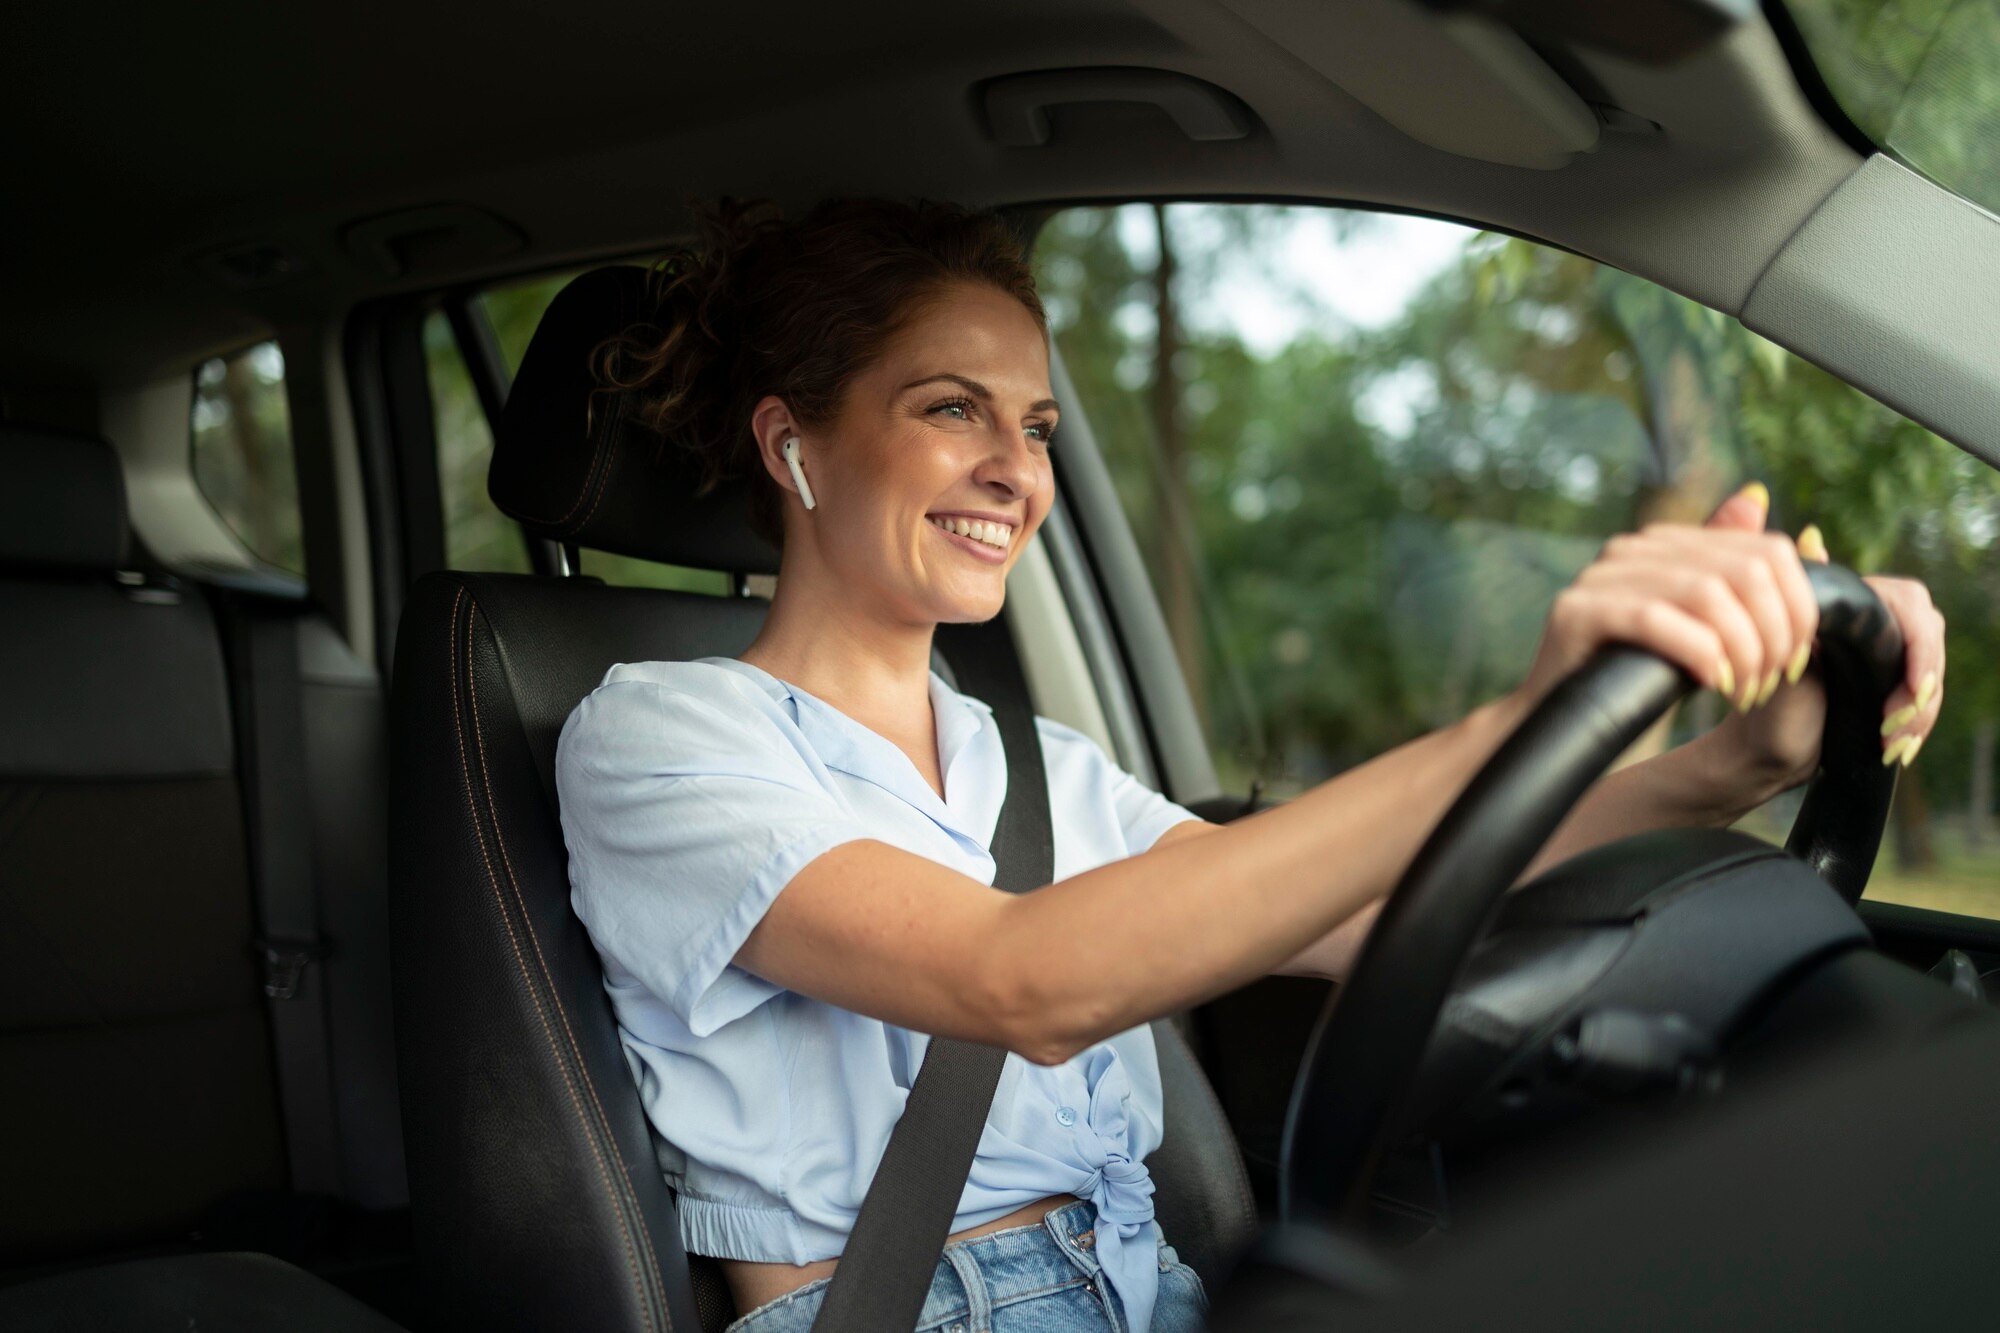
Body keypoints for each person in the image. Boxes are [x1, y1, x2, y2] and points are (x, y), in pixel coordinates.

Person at [553, 197, 1947, 1333]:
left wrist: (1721, 770)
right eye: (950, 409)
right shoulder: (660, 736)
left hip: (1156, 1293)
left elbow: (1359, 907)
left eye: (1034, 426)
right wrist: (1521, 711)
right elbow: (1017, 978)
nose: (1015, 471)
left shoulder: (1036, 763)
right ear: (792, 441)